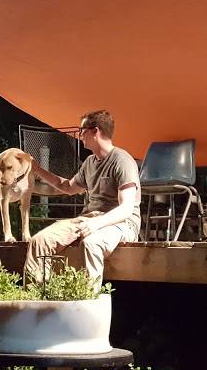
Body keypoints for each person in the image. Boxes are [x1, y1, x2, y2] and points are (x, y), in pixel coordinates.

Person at [25, 110, 140, 289]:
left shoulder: (122, 161)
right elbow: (66, 186)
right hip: (89, 219)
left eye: (82, 130)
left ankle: (88, 299)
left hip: (121, 222)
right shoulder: (89, 163)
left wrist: (97, 224)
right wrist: (37, 169)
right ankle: (35, 296)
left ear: (95, 131)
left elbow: (126, 209)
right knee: (39, 241)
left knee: (91, 244)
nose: (80, 135)